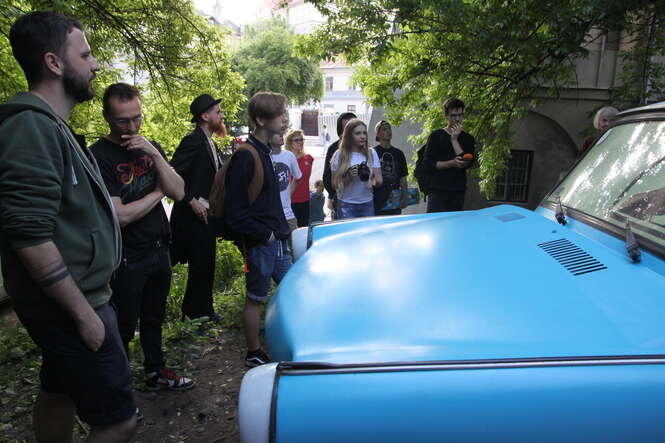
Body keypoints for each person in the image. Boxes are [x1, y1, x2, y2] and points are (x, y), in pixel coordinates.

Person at [0, 11, 136, 441]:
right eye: (86, 54)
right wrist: (83, 314)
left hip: (75, 301)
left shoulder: (49, 126)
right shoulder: (30, 127)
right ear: (54, 63)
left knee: (57, 391)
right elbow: (29, 235)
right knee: (118, 422)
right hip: (75, 305)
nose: (95, 64)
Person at [90, 83, 193, 391]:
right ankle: (116, 392)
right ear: (107, 117)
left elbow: (179, 191)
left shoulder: (150, 147)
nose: (132, 127)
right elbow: (120, 216)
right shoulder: (98, 156)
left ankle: (155, 372)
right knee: (123, 325)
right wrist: (158, 192)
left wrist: (154, 153)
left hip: (159, 247)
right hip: (126, 255)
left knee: (153, 318)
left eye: (137, 118)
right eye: (123, 121)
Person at [222, 92, 292, 367]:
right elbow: (235, 213)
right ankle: (253, 351)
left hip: (276, 240)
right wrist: (265, 235)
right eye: (279, 114)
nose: (284, 119)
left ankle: (287, 341)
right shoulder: (246, 155)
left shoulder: (264, 150)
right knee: (255, 298)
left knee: (292, 289)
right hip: (261, 243)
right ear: (261, 120)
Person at [170, 94, 225, 321]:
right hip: (190, 216)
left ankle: (204, 311)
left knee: (206, 264)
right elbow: (172, 173)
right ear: (204, 116)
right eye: (217, 112)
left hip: (206, 215)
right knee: (198, 265)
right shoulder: (192, 141)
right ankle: (193, 315)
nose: (221, 115)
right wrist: (191, 200)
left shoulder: (210, 142)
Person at [423, 98, 475, 213]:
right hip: (437, 190)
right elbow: (428, 164)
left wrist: (454, 140)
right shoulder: (436, 136)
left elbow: (467, 162)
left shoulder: (468, 138)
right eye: (453, 115)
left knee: (454, 223)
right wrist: (451, 163)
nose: (457, 119)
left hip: (457, 191)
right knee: (436, 223)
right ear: (446, 116)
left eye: (460, 115)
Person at [330, 119, 383, 219]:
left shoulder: (371, 153)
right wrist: (348, 176)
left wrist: (371, 178)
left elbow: (379, 181)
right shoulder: (339, 155)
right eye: (358, 133)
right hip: (346, 204)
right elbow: (334, 185)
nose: (362, 136)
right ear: (349, 135)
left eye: (364, 133)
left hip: (367, 203)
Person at [322, 112, 357, 218]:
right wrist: (332, 195)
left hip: (363, 200)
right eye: (346, 128)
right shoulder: (334, 149)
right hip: (341, 198)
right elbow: (327, 177)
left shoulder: (366, 149)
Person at [372, 120, 409, 215]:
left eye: (389, 129)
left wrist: (405, 196)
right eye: (384, 129)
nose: (388, 131)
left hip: (395, 199)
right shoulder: (373, 152)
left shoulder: (399, 153)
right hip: (377, 199)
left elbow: (403, 177)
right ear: (378, 134)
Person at [270, 132, 302, 233]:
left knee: (295, 239)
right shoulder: (264, 156)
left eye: (281, 133)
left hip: (287, 213)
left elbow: (297, 178)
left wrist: (288, 194)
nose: (281, 135)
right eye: (276, 133)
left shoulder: (289, 155)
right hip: (269, 214)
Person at [286, 129, 314, 227]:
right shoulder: (285, 158)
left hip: (305, 199)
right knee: (291, 230)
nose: (300, 142)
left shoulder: (309, 158)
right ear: (290, 142)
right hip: (290, 200)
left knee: (303, 229)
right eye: (296, 140)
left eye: (301, 139)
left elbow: (305, 179)